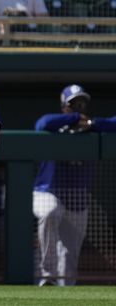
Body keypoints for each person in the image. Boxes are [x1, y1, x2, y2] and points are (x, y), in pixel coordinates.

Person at [33, 84, 116, 287]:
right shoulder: (56, 125)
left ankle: (64, 290)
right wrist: (74, 120)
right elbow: (41, 124)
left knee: (69, 253)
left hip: (78, 197)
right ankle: (46, 276)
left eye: (82, 102)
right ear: (64, 106)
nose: (79, 106)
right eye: (73, 103)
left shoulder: (93, 127)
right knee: (50, 212)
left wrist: (93, 123)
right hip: (47, 191)